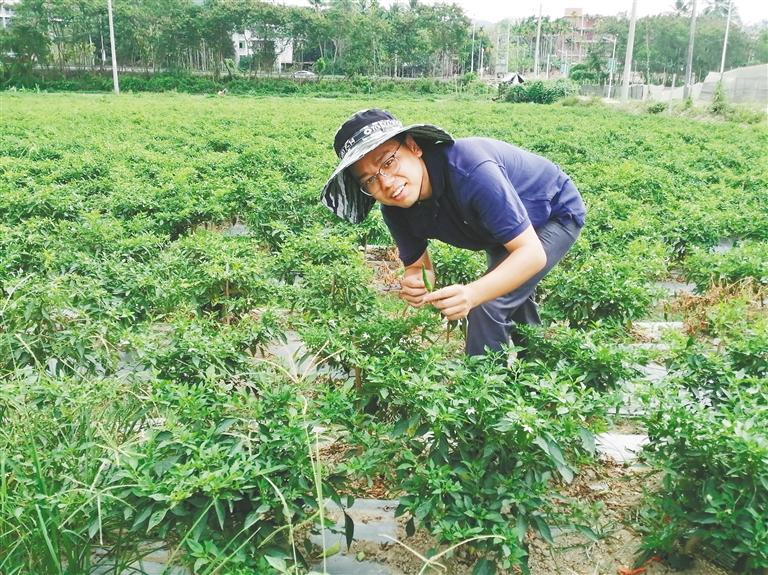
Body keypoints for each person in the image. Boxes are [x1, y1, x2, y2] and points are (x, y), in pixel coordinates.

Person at [321, 108, 586, 356]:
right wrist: (415, 282)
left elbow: (531, 254)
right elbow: (418, 267)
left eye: (389, 162)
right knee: (510, 293)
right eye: (370, 180)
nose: (386, 183)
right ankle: (534, 371)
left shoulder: (471, 170)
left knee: (487, 304)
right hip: (497, 230)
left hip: (552, 213)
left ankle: (483, 385)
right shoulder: (395, 207)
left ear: (413, 147)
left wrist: (472, 294)